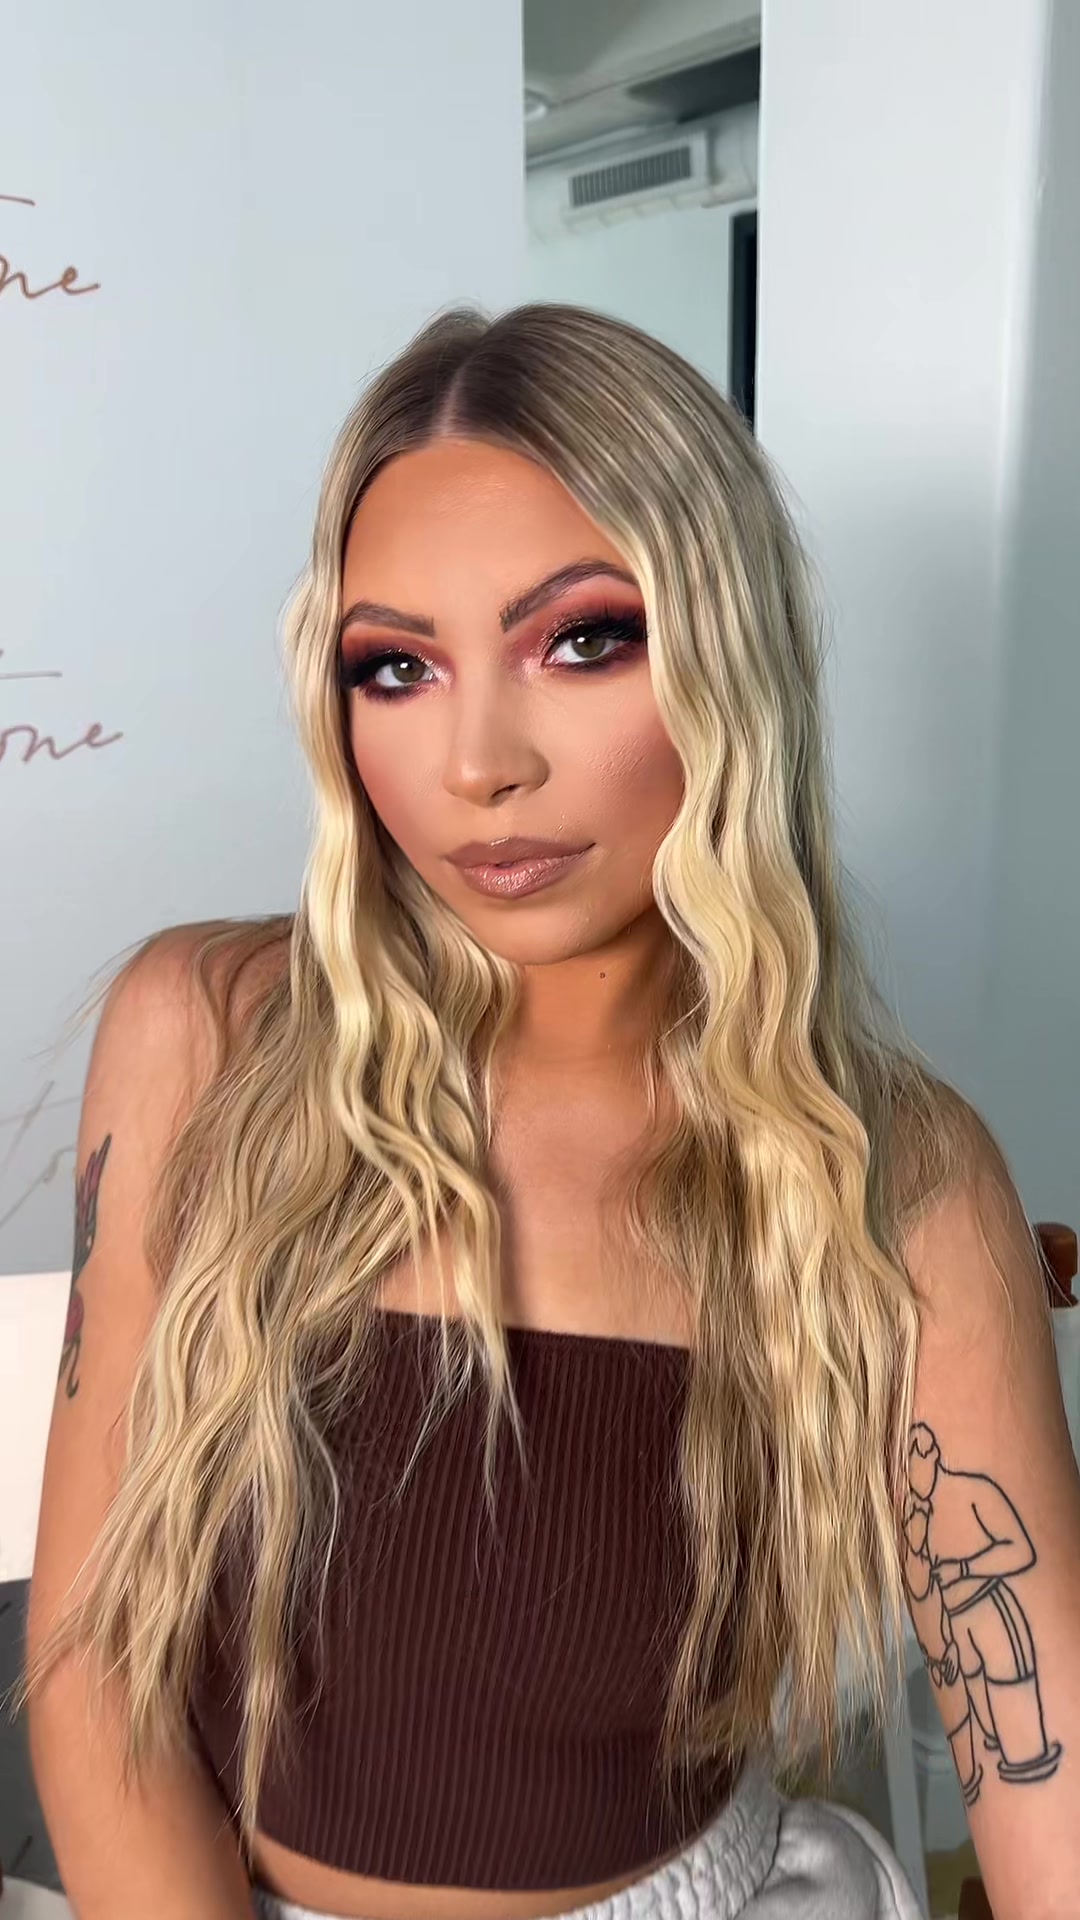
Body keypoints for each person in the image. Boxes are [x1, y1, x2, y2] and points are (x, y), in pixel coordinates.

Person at [23, 303, 1080, 1920]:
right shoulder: (206, 1032)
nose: (479, 764)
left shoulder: (902, 1175)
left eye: (582, 641)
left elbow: (1045, 1762)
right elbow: (98, 1676)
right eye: (397, 667)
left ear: (728, 656)